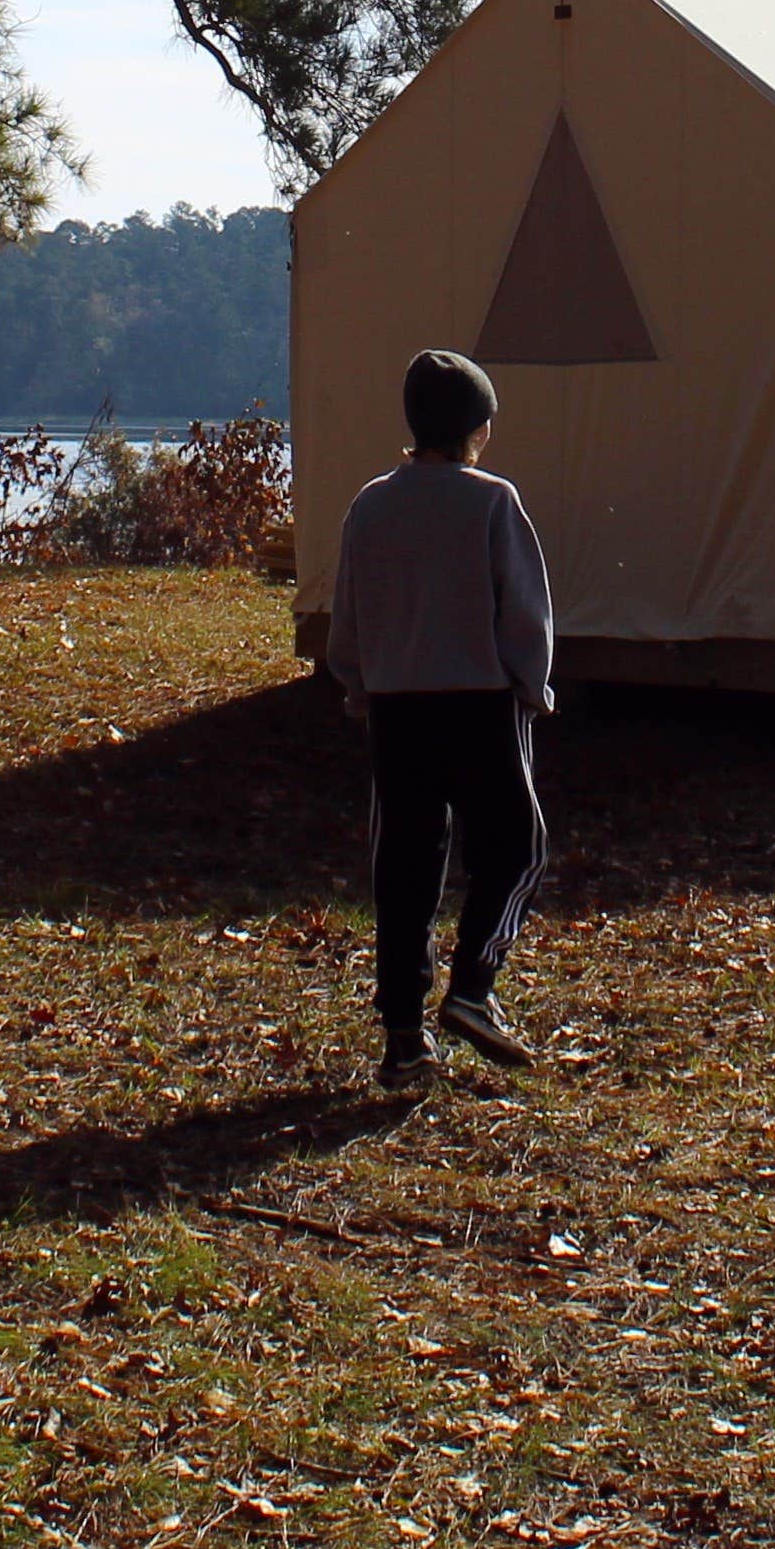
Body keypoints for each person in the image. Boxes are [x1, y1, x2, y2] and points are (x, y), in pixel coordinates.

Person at [323, 347, 552, 1089]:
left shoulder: (371, 503)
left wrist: (357, 684)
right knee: (515, 847)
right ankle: (474, 987)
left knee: (405, 870)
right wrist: (532, 685)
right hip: (481, 703)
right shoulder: (492, 501)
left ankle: (402, 1038)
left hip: (398, 710)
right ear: (476, 428)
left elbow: (349, 611)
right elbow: (523, 611)